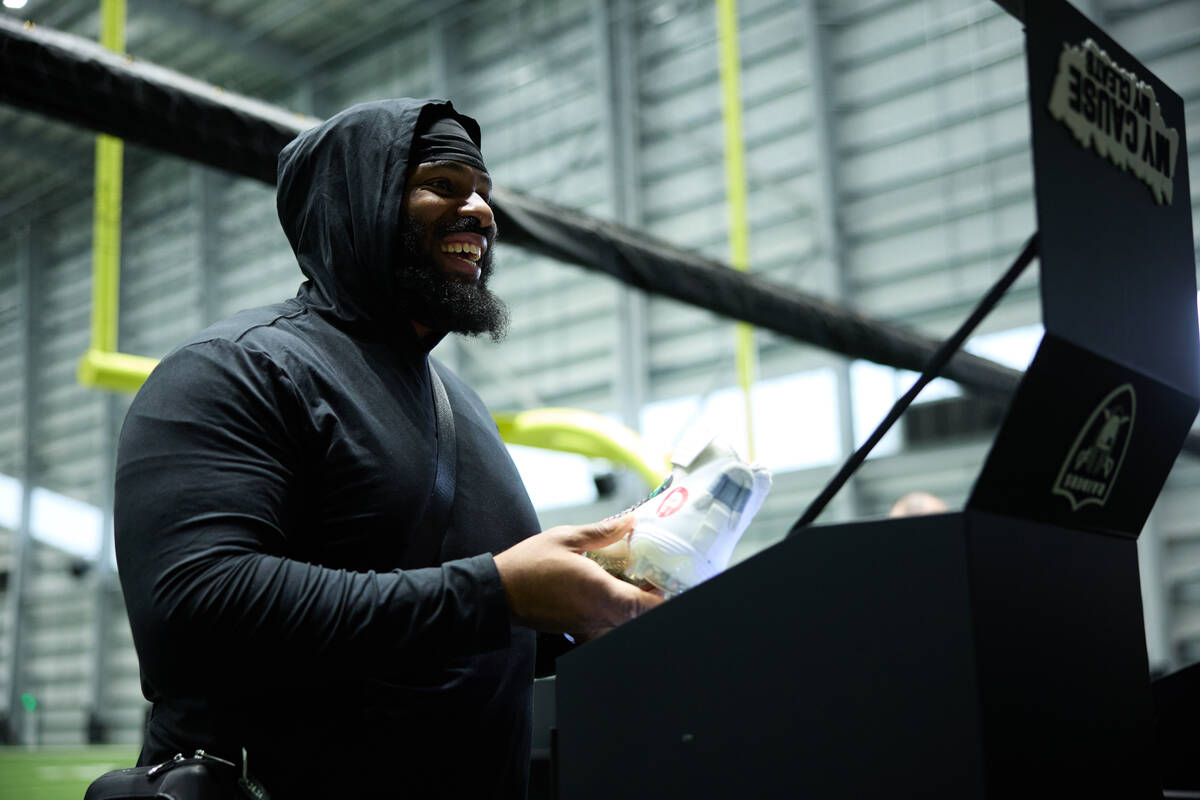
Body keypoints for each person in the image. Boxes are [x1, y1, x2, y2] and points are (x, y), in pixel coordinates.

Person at [114, 98, 664, 798]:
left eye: (484, 191)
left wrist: (585, 611)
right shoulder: (236, 368)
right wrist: (498, 592)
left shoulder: (459, 405)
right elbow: (195, 608)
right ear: (358, 201)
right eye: (445, 183)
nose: (480, 210)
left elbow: (452, 636)